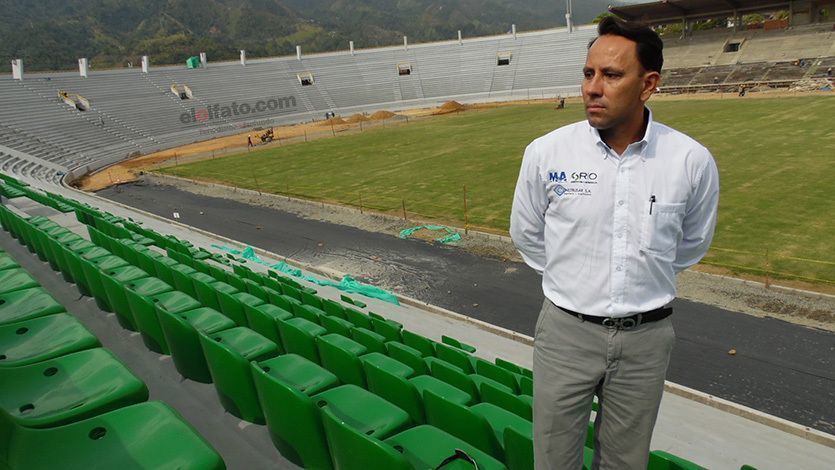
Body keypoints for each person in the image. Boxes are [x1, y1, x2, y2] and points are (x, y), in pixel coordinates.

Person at [510, 17, 719, 470]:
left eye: (611, 75)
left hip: (646, 340)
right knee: (553, 460)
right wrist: (576, 280)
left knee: (626, 462)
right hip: (565, 333)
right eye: (588, 74)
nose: (592, 87)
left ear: (648, 84)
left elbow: (692, 244)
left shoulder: (690, 161)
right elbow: (527, 233)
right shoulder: (547, 153)